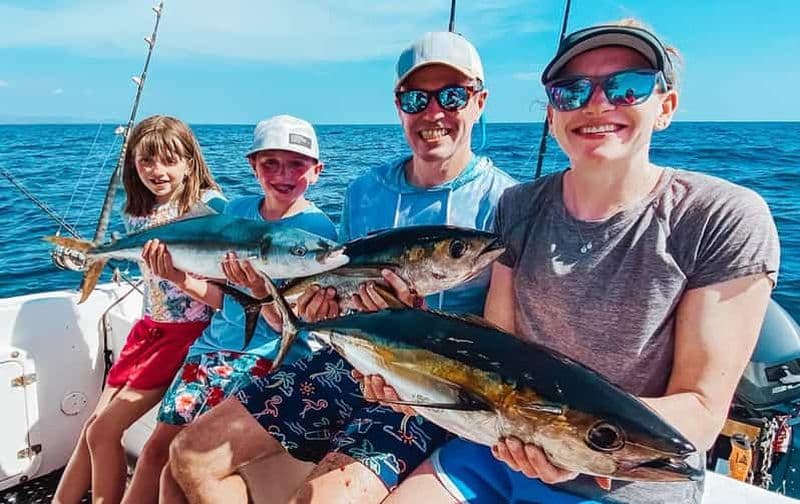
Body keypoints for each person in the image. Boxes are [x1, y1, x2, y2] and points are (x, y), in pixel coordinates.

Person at [382, 19, 780, 504]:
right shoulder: (518, 206)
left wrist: (576, 440)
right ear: (552, 115)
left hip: (623, 478)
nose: (596, 103)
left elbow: (699, 409)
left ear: (666, 107)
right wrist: (408, 378)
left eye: (626, 86)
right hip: (499, 448)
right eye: (571, 91)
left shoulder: (721, 216)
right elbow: (497, 347)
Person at [163, 31, 517, 504]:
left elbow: (501, 342)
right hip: (346, 360)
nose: (433, 113)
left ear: (479, 102)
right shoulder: (365, 190)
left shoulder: (508, 204)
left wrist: (415, 319)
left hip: (429, 385)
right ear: (399, 106)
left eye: (452, 96)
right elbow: (334, 302)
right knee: (189, 452)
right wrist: (293, 305)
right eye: (416, 98)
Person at [119, 114, 338, 503]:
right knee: (154, 452)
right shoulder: (236, 209)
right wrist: (176, 276)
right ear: (252, 166)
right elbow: (222, 298)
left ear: (317, 171)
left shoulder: (316, 236)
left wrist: (260, 291)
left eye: (296, 164)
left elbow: (296, 323)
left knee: (176, 465)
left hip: (265, 357)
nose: (283, 174)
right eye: (270, 162)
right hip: (212, 347)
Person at [53, 115, 225, 504]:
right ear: (133, 164)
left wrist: (179, 275)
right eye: (145, 161)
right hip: (147, 329)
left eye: (169, 159)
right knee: (92, 429)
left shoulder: (210, 207)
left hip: (183, 337)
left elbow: (226, 286)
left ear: (190, 162)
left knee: (103, 431)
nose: (157, 171)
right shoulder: (139, 211)